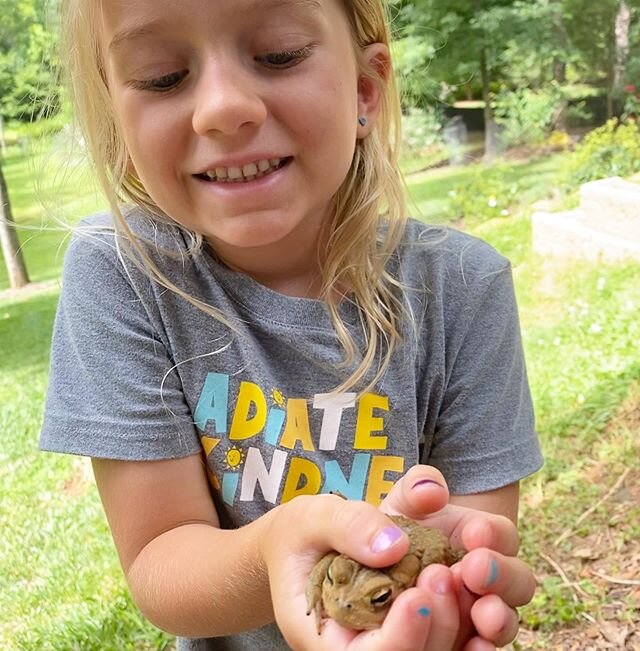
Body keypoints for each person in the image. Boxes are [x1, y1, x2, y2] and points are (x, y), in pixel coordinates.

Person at [40, 0, 543, 649]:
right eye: (163, 75)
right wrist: (279, 549)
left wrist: (462, 574)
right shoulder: (123, 269)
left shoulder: (466, 285)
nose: (223, 107)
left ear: (365, 89)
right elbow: (158, 562)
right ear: (117, 117)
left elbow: (471, 535)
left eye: (277, 54)